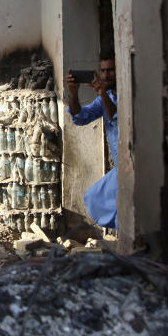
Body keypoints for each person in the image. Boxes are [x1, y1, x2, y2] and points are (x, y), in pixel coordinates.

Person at [66, 52, 118, 229]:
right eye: (103, 71)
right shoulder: (104, 97)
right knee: (95, 199)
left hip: (137, 165)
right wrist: (73, 94)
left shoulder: (130, 95)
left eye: (111, 70)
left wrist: (102, 93)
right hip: (122, 168)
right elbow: (80, 117)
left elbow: (114, 117)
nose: (106, 75)